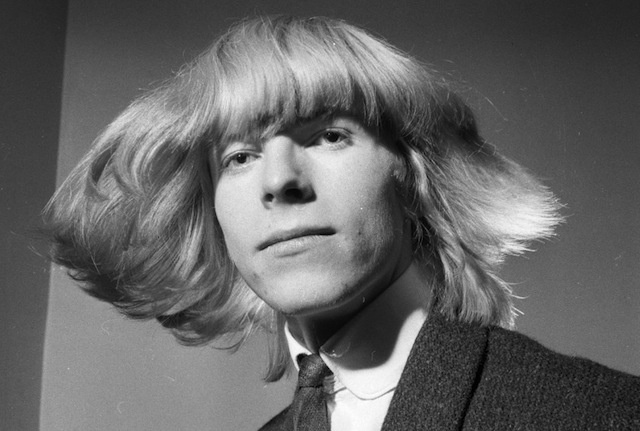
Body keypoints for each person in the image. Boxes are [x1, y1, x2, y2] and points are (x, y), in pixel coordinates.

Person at [44, 15, 639, 430]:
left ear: (413, 172)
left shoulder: (604, 414)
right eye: (239, 157)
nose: (279, 180)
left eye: (329, 136)